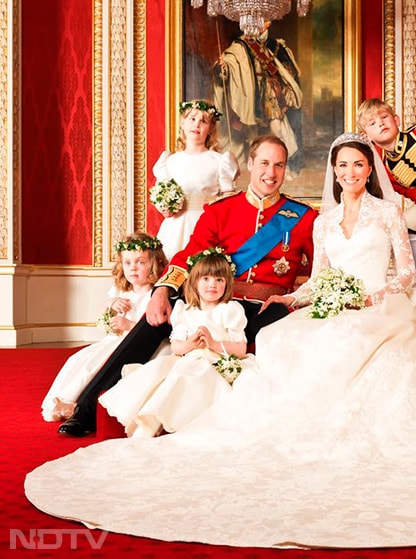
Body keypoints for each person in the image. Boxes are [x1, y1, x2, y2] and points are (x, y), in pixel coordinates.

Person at [26, 134, 416, 549]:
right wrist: (271, 296)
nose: (348, 174)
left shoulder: (347, 216)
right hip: (268, 296)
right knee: (261, 335)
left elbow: (394, 276)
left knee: (319, 341)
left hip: (358, 307)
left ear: (366, 169)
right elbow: (291, 274)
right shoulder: (272, 215)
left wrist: (350, 296)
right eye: (339, 167)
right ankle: (103, 405)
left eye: (358, 166)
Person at [56, 135, 317, 437]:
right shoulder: (221, 211)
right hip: (213, 298)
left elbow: (320, 268)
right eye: (264, 163)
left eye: (279, 165)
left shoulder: (303, 217)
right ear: (249, 164)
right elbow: (187, 257)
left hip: (263, 309)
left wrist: (295, 299)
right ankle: (87, 408)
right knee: (156, 319)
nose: (270, 173)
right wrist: (161, 292)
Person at [99, 248, 254, 437]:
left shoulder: (230, 310)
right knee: (157, 374)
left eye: (219, 280)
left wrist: (213, 344)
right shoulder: (185, 310)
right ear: (194, 282)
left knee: (188, 377)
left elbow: (240, 348)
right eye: (205, 279)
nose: (212, 285)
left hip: (216, 361)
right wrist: (190, 344)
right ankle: (146, 422)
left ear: (227, 283)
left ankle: (161, 421)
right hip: (188, 357)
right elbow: (177, 347)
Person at [41, 234, 168, 422]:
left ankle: (78, 404)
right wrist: (111, 304)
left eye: (140, 262)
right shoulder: (121, 290)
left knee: (98, 365)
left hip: (134, 344)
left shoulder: (156, 294)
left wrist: (128, 325)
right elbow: (102, 318)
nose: (133, 268)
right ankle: (64, 399)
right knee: (79, 359)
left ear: (154, 263)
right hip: (113, 339)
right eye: (127, 263)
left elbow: (153, 331)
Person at [356, 98, 416, 306]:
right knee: (405, 223)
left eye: (384, 117)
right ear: (366, 136)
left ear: (396, 119)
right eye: (372, 123)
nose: (380, 124)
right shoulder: (388, 170)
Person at [212, 22, 304, 176]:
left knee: (278, 129)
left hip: (270, 92)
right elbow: (229, 65)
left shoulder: (276, 45)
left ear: (268, 23)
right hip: (251, 96)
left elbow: (287, 70)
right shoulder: (240, 45)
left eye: (262, 20)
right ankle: (256, 169)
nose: (257, 24)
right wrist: (222, 69)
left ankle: (283, 164)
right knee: (252, 134)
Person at [152, 99, 240, 260]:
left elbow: (229, 201)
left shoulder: (219, 161)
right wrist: (165, 207)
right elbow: (161, 192)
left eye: (203, 121)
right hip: (176, 226)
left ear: (211, 128)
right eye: (192, 119)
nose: (197, 125)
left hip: (206, 225)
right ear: (183, 123)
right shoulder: (170, 161)